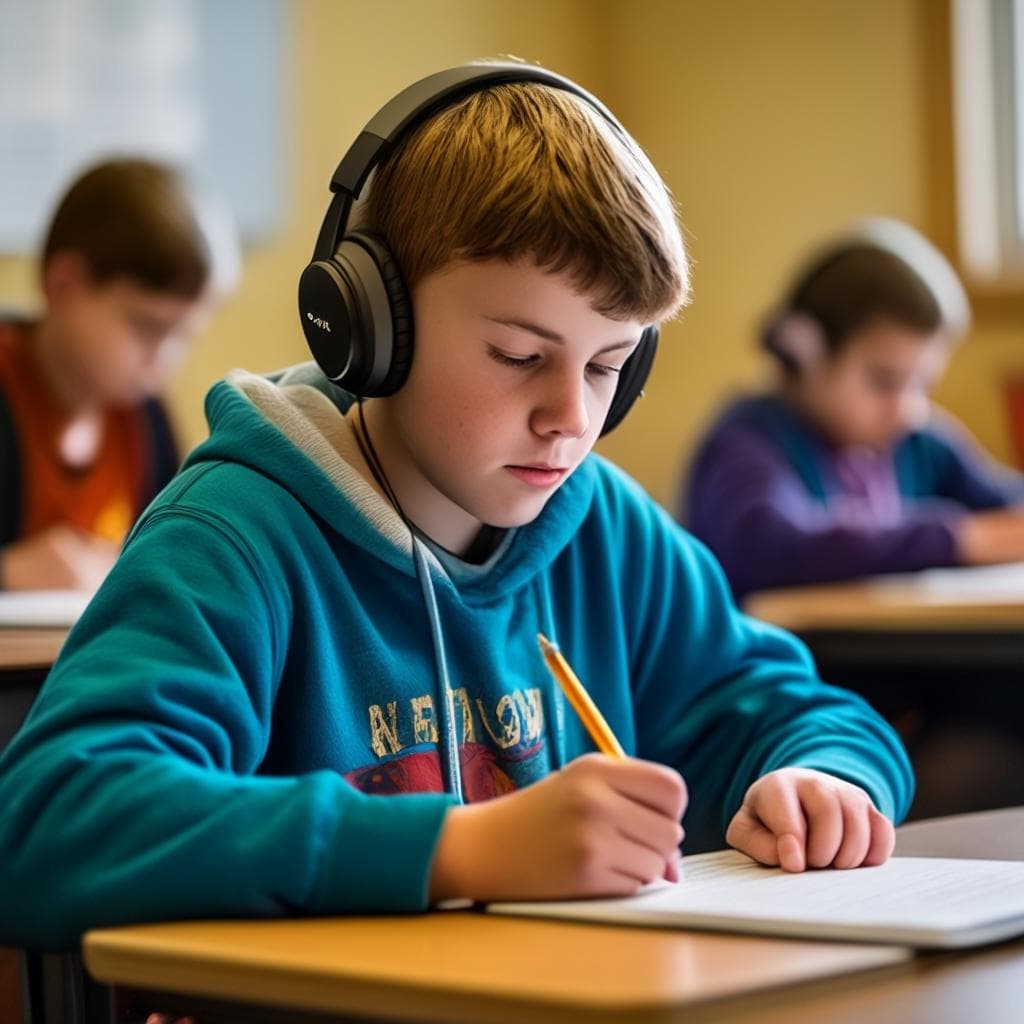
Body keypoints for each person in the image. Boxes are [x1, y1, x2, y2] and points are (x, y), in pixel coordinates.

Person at [0, 63, 912, 955]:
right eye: (519, 355)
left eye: (607, 367)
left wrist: (819, 779)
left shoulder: (604, 529)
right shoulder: (236, 537)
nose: (571, 419)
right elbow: (46, 825)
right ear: (369, 326)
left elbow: (798, 709)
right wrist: (458, 851)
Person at [682, 217, 1024, 604]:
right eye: (884, 380)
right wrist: (960, 540)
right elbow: (765, 545)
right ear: (804, 353)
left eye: (923, 384)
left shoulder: (918, 443)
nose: (909, 409)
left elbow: (1006, 504)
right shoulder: (748, 440)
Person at [0, 157, 239, 592]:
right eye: (147, 327)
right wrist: (8, 572)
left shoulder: (145, 418)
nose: (163, 360)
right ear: (63, 286)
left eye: (183, 335)